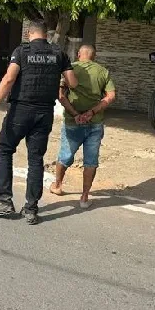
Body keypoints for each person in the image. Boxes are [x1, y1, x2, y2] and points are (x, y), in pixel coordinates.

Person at [0, 20, 77, 225]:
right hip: (44, 113)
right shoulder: (58, 53)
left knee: (5, 150)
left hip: (21, 110)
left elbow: (9, 79)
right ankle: (31, 209)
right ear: (46, 34)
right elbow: (73, 82)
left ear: (29, 33)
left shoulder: (22, 51)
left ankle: (4, 200)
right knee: (35, 159)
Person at [50, 44, 116, 209]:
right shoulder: (103, 72)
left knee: (65, 155)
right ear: (94, 56)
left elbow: (60, 95)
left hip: (73, 122)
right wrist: (92, 113)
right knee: (90, 161)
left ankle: (57, 185)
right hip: (95, 122)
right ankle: (85, 197)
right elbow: (111, 96)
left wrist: (75, 114)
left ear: (79, 54)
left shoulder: (70, 69)